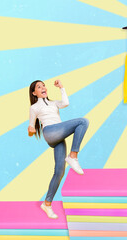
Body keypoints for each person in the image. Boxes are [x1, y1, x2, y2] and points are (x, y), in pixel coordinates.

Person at [28, 79, 89, 219]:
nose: (43, 87)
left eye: (44, 85)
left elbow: (65, 103)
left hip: (58, 137)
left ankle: (47, 204)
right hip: (50, 132)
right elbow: (31, 128)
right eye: (39, 87)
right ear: (34, 93)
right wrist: (31, 130)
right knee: (83, 122)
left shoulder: (53, 103)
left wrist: (62, 88)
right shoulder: (34, 107)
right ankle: (73, 156)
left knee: (59, 172)